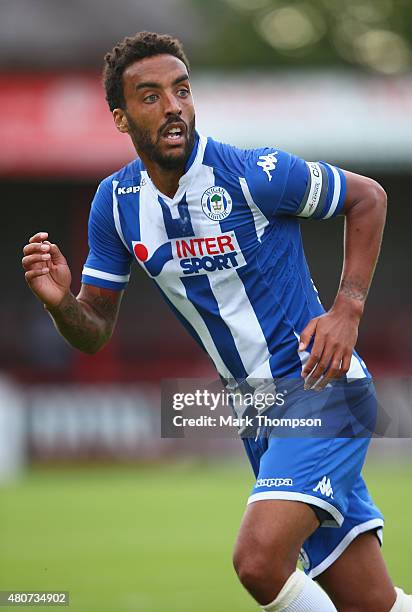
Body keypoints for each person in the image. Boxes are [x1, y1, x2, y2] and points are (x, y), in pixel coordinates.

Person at [22, 32, 411, 611]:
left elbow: (369, 198)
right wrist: (61, 303)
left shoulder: (252, 173)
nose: (173, 106)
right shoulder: (117, 203)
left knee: (258, 562)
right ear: (121, 118)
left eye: (181, 90)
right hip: (257, 412)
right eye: (150, 96)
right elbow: (95, 330)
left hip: (322, 390)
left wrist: (347, 309)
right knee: (369, 602)